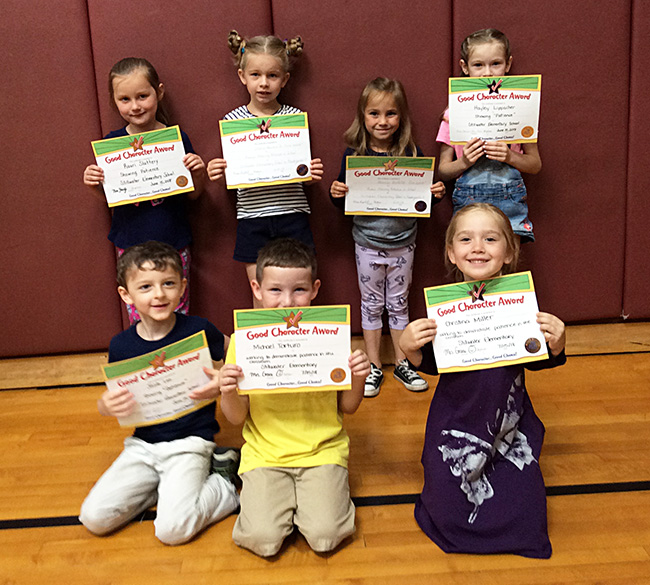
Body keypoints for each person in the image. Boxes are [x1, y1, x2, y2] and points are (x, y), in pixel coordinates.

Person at [399, 203, 566, 558]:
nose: (478, 247)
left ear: (508, 252)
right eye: (466, 239)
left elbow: (538, 361)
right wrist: (409, 347)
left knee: (526, 506)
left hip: (509, 429)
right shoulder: (444, 310)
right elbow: (432, 364)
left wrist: (556, 342)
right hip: (455, 425)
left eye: (490, 239)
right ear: (451, 253)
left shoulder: (520, 305)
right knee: (446, 503)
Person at [213, 238, 371, 557]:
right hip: (265, 454)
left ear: (314, 289)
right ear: (256, 288)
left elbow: (348, 408)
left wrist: (358, 378)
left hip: (322, 451)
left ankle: (312, 499)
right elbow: (236, 418)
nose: (287, 302)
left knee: (326, 536)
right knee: (262, 540)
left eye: (299, 290)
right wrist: (226, 389)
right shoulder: (243, 343)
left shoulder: (331, 337)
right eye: (275, 290)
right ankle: (273, 496)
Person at [79, 241, 239, 545]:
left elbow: (238, 352)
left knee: (172, 531)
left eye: (168, 284)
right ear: (127, 295)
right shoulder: (121, 346)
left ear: (182, 287)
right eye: (146, 287)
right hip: (143, 446)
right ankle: (165, 487)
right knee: (94, 518)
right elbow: (114, 400)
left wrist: (224, 380)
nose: (159, 294)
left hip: (191, 442)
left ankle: (223, 481)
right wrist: (104, 406)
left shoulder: (199, 329)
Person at [329, 77, 446, 397]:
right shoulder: (355, 154)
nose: (382, 121)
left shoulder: (412, 153)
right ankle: (373, 366)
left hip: (403, 242)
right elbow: (343, 200)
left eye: (391, 114)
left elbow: (423, 199)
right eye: (374, 114)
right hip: (367, 243)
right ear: (363, 116)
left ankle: (403, 362)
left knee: (398, 303)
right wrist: (336, 192)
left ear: (402, 117)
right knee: (370, 304)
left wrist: (435, 194)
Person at [83, 58, 206, 323]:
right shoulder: (112, 144)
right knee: (139, 310)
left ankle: (178, 360)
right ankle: (146, 361)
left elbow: (193, 194)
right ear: (114, 101)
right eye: (125, 99)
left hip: (172, 241)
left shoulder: (176, 138)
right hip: (130, 243)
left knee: (176, 308)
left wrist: (198, 172)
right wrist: (94, 184)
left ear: (159, 92)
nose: (135, 106)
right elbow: (110, 199)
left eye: (142, 96)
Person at [207, 31, 323, 301]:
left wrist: (310, 175)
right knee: (261, 296)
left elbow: (300, 171)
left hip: (292, 213)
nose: (263, 83)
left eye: (272, 75)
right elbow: (233, 177)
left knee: (297, 293)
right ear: (242, 76)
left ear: (285, 80)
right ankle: (261, 342)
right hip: (252, 217)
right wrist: (218, 174)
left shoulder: (294, 119)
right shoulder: (233, 121)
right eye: (256, 75)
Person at [437, 29, 542, 242]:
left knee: (506, 264)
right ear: (465, 67)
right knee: (472, 263)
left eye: (496, 64)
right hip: (469, 202)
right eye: (478, 65)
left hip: (509, 203)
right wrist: (464, 161)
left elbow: (535, 164)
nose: (488, 73)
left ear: (508, 64)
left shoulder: (522, 109)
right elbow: (444, 170)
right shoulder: (453, 114)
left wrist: (510, 156)